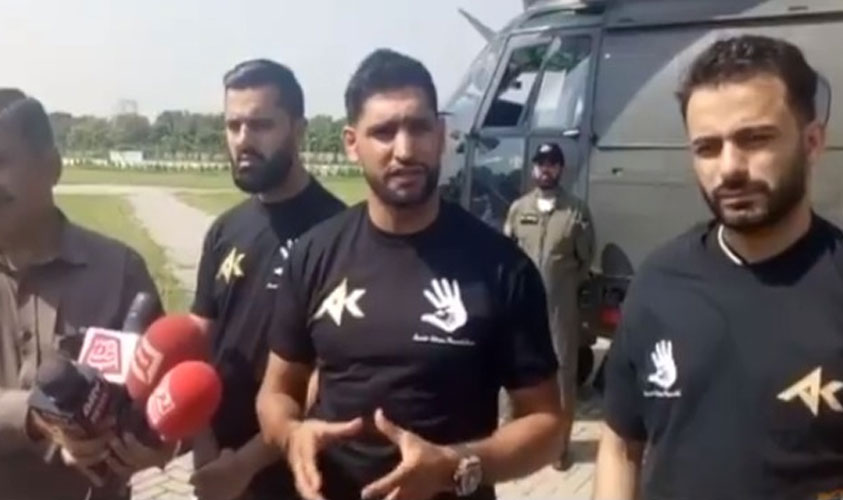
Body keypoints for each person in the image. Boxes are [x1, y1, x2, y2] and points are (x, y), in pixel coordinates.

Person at [256, 48, 567, 500]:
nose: (404, 150)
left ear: (440, 135)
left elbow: (547, 425)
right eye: (383, 132)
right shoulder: (314, 254)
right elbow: (277, 392)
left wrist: (456, 465)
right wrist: (290, 434)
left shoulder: (502, 266)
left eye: (419, 128)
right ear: (352, 143)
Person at [593, 35, 843, 500]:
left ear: (812, 142)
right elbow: (621, 445)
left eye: (755, 139)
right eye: (707, 147)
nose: (729, 168)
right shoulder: (658, 283)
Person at [0, 89, 172, 499]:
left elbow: (162, 404)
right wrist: (35, 417)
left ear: (52, 168)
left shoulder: (119, 272)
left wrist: (153, 444)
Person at [187, 59, 346, 500]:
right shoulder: (224, 230)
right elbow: (199, 342)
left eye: (260, 125)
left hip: (300, 473)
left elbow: (328, 380)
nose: (243, 139)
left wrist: (245, 464)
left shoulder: (340, 234)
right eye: (233, 125)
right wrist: (203, 444)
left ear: (299, 129)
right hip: (219, 462)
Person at [503, 141, 594, 469]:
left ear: (560, 169)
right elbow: (508, 253)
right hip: (522, 306)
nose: (546, 169)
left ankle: (560, 447)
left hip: (560, 307)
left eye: (552, 163)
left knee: (563, 373)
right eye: (541, 163)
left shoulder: (576, 211)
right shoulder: (519, 209)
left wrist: (562, 285)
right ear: (533, 168)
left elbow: (585, 260)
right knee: (513, 366)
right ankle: (511, 439)